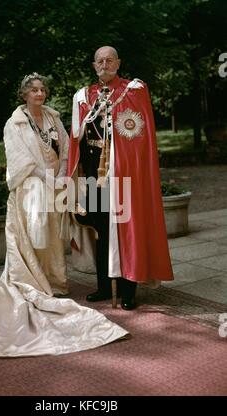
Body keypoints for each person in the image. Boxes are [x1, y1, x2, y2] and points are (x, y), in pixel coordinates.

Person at [0, 73, 128, 357]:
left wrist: (61, 173)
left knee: (52, 236)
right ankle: (34, 283)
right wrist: (47, 178)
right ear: (24, 94)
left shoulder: (53, 118)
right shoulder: (15, 123)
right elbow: (20, 160)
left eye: (42, 89)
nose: (39, 93)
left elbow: (66, 148)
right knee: (35, 236)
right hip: (31, 188)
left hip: (55, 184)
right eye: (34, 90)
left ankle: (55, 282)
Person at [67, 46, 174, 310]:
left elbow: (139, 139)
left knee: (127, 229)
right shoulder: (84, 96)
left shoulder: (133, 90)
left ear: (118, 63)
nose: (104, 64)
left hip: (125, 174)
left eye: (109, 60)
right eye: (100, 61)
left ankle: (128, 290)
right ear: (94, 65)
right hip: (94, 174)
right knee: (102, 230)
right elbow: (76, 138)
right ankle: (105, 286)